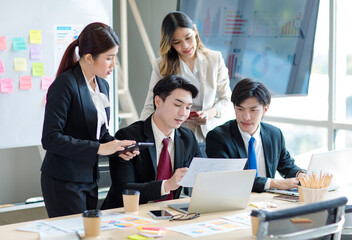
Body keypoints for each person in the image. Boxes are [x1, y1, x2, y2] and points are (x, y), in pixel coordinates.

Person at [41, 22, 137, 218]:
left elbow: (98, 133)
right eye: (109, 58)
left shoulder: (102, 85)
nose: (114, 64)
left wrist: (118, 148)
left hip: (89, 177)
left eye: (115, 57)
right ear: (88, 58)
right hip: (63, 179)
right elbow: (50, 138)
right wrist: (99, 149)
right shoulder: (65, 85)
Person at [101, 75, 204, 210]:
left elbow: (204, 174)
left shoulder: (187, 137)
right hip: (128, 213)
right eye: (177, 105)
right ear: (158, 101)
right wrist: (166, 186)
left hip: (170, 213)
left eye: (188, 107)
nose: (183, 113)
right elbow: (124, 189)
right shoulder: (128, 136)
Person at [140, 11, 234, 144]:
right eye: (177, 42)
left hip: (210, 134)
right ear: (170, 44)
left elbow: (226, 99)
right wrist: (139, 134)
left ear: (195, 30)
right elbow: (151, 104)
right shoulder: (162, 65)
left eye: (188, 37)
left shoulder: (214, 59)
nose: (185, 46)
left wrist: (209, 114)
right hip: (177, 135)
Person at [206, 78, 305, 193]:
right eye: (240, 109)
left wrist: (301, 174)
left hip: (267, 202)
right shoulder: (218, 137)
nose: (246, 117)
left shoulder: (274, 134)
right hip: (233, 200)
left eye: (253, 110)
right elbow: (232, 178)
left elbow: (287, 166)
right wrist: (275, 183)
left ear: (265, 110)